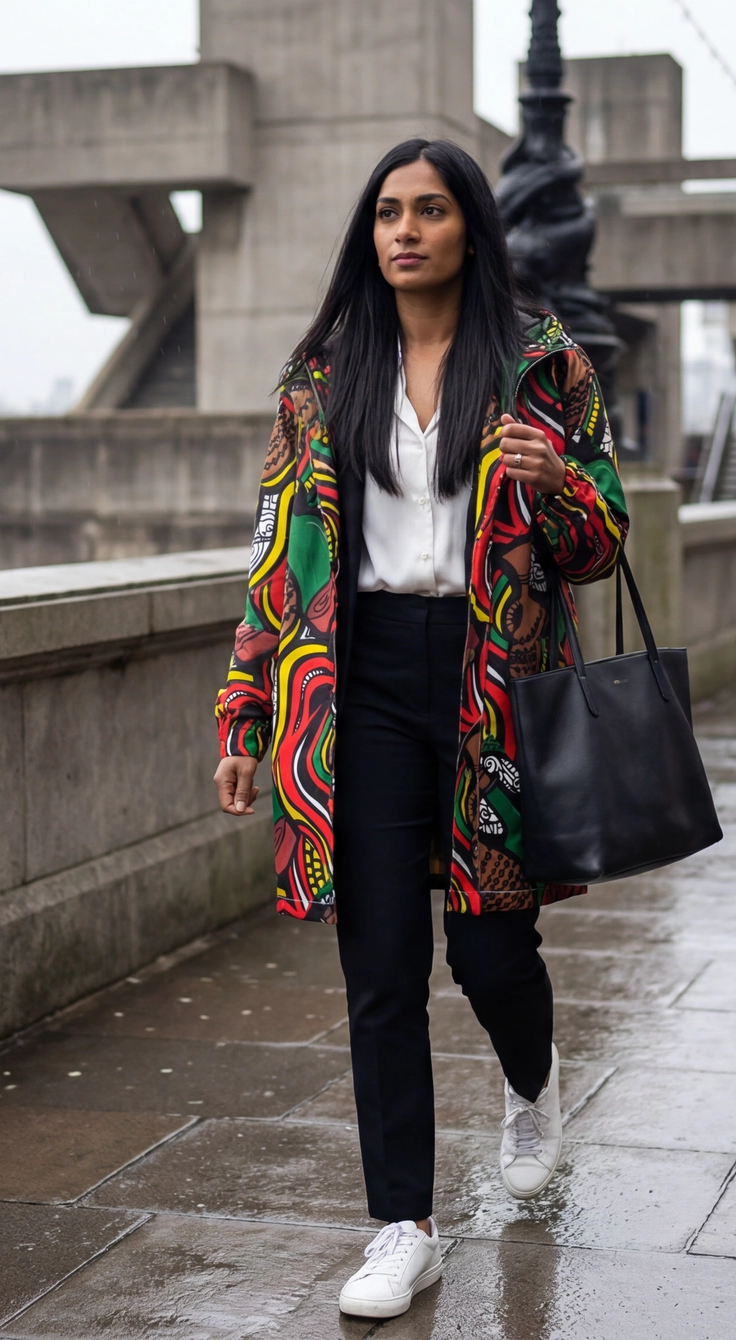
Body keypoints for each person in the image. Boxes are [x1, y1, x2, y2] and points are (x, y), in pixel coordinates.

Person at [210, 138, 628, 1320]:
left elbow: (606, 541)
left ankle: (535, 1079)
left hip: (496, 677)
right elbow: (277, 555)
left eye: (430, 210)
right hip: (363, 681)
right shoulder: (324, 371)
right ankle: (404, 1221)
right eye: (388, 211)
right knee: (380, 959)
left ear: (469, 230)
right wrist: (247, 706)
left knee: (492, 949)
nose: (404, 230)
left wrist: (557, 484)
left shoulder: (545, 365)